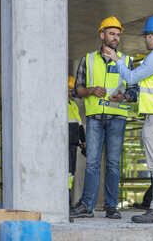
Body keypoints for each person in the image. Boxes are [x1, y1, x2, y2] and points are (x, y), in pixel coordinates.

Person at [104, 15, 153, 223]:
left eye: (146, 36)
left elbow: (131, 78)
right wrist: (128, 98)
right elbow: (152, 90)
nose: (145, 40)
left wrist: (117, 60)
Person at [69, 16, 138, 219]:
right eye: (112, 34)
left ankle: (111, 207)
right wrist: (90, 90)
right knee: (92, 163)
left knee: (113, 164)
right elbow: (76, 90)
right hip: (95, 118)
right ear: (102, 35)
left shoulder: (125, 60)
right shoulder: (88, 59)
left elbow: (134, 90)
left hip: (117, 117)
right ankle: (86, 206)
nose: (116, 38)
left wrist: (124, 96)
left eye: (118, 34)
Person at [68, 76, 86, 207]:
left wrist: (83, 141)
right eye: (68, 90)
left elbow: (79, 124)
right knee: (66, 172)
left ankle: (67, 200)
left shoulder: (73, 105)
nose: (70, 93)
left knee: (71, 173)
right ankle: (65, 201)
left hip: (73, 143)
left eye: (71, 90)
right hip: (63, 144)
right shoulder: (59, 105)